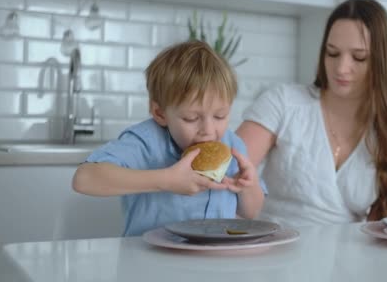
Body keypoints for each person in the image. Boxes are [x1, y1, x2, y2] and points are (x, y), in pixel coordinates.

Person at [236, 0, 387, 227]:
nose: (341, 68)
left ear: (381, 62)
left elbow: (383, 229)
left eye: (359, 57)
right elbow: (229, 171)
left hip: (350, 257)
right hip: (275, 249)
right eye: (332, 53)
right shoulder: (283, 103)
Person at [72, 41, 265, 236]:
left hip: (214, 259)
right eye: (192, 118)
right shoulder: (145, 142)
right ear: (160, 113)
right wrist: (166, 180)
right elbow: (84, 179)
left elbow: (251, 212)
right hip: (149, 259)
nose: (208, 130)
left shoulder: (232, 146)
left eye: (220, 116)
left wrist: (248, 186)